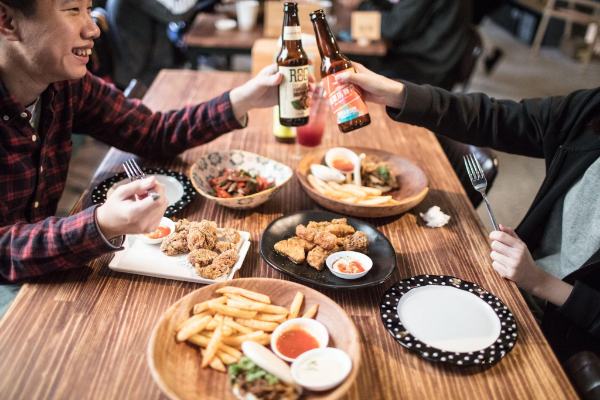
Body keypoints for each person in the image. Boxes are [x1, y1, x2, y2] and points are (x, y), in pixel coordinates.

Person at [0, 0, 310, 307]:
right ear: (8, 21)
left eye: (87, 8)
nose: (93, 27)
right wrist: (100, 224)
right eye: (71, 10)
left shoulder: (65, 84)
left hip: (46, 271)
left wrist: (242, 99)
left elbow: (150, 131)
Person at [333, 64, 600, 361]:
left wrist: (539, 282)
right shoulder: (592, 109)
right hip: (513, 277)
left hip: (563, 332)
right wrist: (399, 93)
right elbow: (495, 117)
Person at [341, 0, 473, 90]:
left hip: (423, 68)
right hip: (434, 59)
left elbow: (394, 27)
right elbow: (401, 13)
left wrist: (361, 4)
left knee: (345, 72)